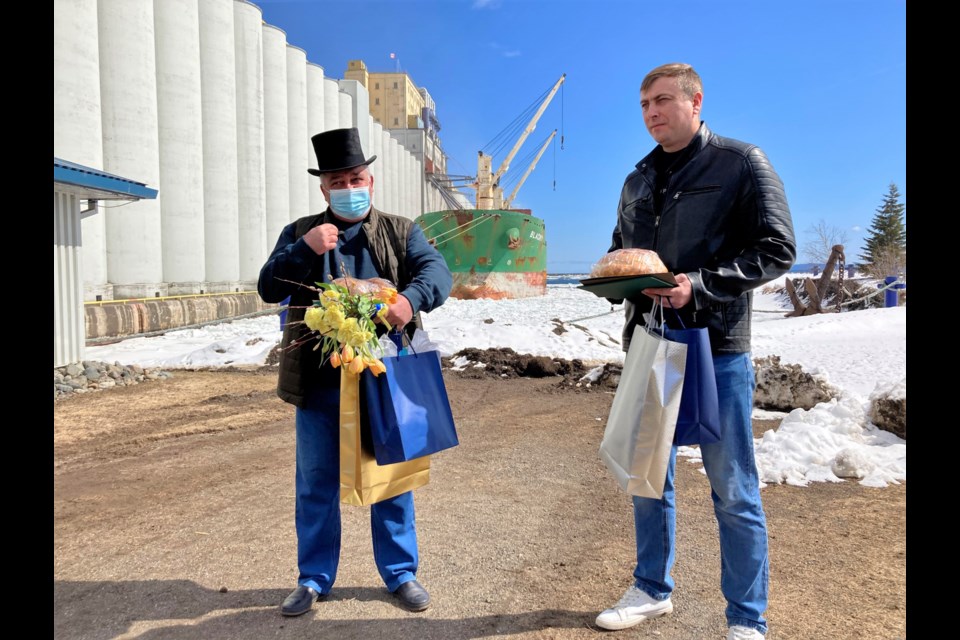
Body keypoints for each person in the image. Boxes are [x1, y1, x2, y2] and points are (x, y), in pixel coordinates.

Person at [594, 64, 796, 639]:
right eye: (643, 104)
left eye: (662, 100)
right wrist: (615, 284)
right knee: (648, 475)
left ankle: (747, 619)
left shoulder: (741, 162)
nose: (652, 112)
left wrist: (698, 284)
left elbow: (778, 248)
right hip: (649, 345)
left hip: (717, 347)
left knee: (732, 485)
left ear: (695, 100)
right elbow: (620, 252)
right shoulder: (636, 179)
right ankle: (652, 590)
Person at [258, 127, 453, 617]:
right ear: (323, 189)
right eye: (337, 181)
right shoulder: (302, 231)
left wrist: (409, 301)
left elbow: (437, 273)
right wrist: (304, 248)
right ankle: (313, 577)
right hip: (319, 381)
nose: (348, 187)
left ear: (371, 179)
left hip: (386, 378)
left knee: (393, 474)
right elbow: (267, 286)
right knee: (316, 478)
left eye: (355, 177)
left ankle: (401, 573)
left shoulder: (402, 230)